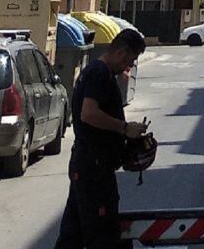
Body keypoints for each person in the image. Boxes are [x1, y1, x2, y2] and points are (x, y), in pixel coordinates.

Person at [55, 29, 148, 249]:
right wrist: (124, 128)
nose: (128, 66)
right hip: (94, 169)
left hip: (88, 165)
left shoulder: (96, 72)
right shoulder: (99, 74)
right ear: (121, 52)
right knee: (103, 235)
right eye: (130, 60)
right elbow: (89, 113)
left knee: (73, 234)